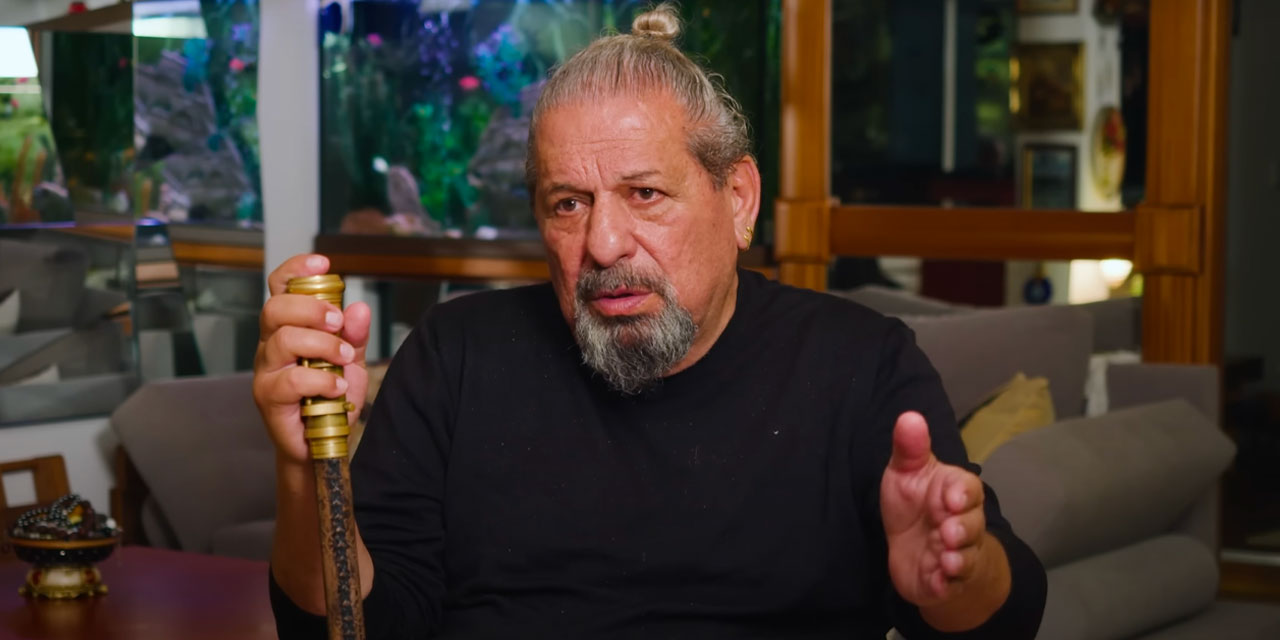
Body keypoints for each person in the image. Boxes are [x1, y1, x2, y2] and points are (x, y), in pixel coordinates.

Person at [256, 5, 1046, 638]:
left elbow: (1006, 619)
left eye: (645, 194)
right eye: (568, 203)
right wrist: (302, 469)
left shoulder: (858, 364)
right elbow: (351, 623)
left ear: (738, 198)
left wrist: (957, 572)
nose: (602, 243)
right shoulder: (456, 355)